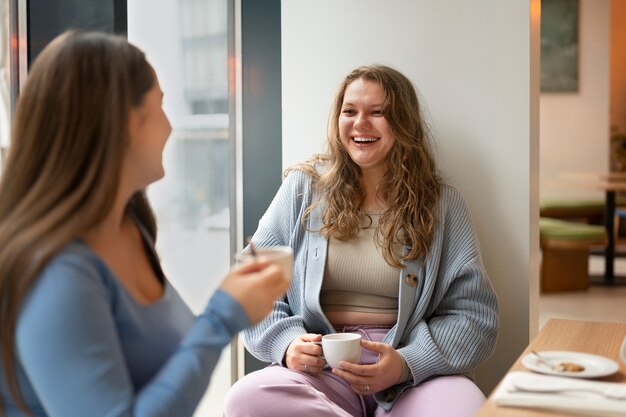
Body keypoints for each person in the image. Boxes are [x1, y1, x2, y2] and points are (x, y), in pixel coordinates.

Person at [0, 30, 290, 417]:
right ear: (124, 123)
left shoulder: (130, 226)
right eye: (160, 107)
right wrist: (222, 317)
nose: (170, 126)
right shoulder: (57, 271)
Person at [224, 65, 499, 417]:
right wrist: (286, 342)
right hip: (321, 374)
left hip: (411, 376)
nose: (360, 124)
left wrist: (404, 363)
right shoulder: (302, 189)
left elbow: (474, 317)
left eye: (378, 113)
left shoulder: (442, 204)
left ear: (403, 123)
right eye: (350, 111)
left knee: (465, 407)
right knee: (246, 399)